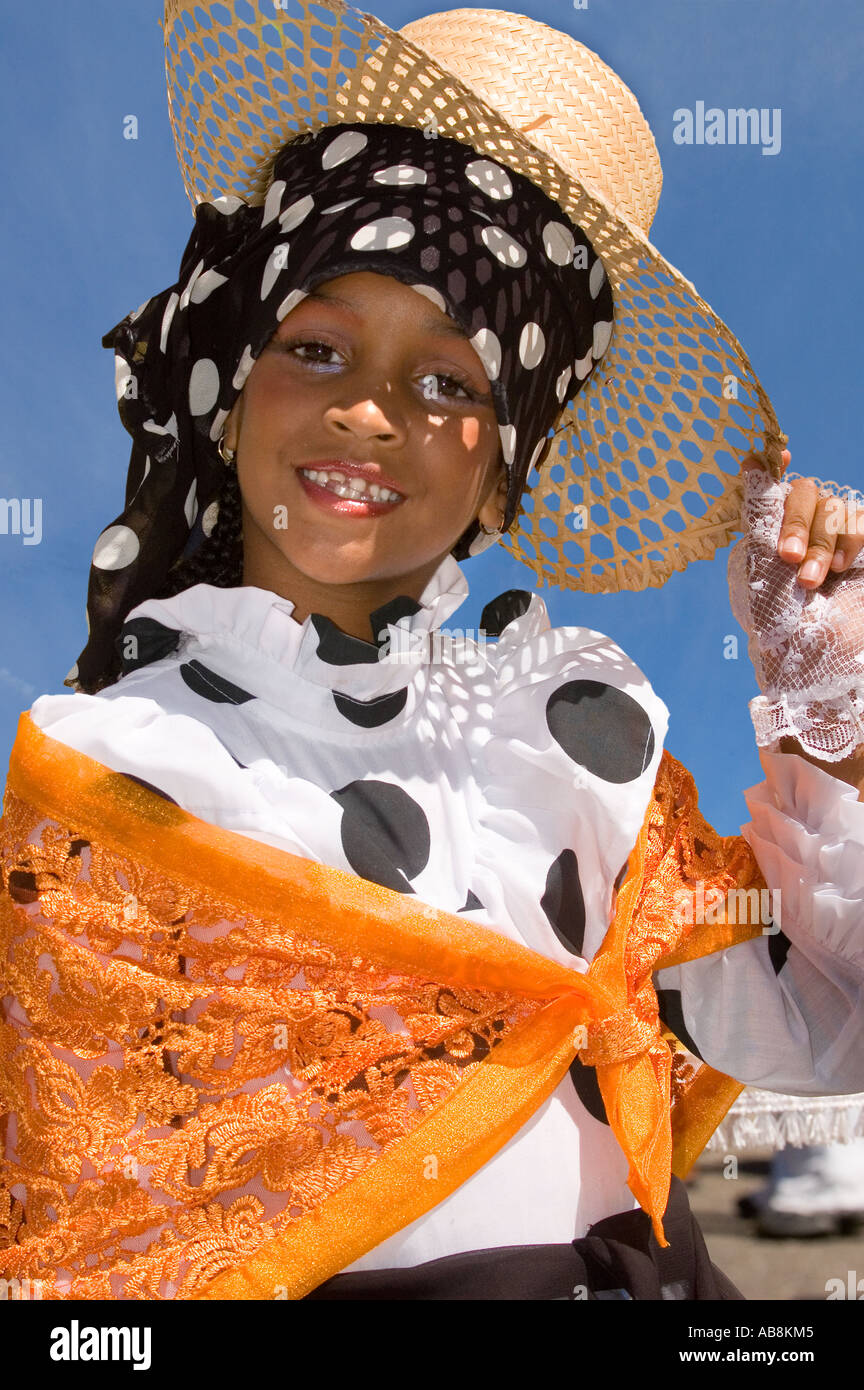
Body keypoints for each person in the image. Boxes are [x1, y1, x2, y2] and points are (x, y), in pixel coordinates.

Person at [1, 2, 862, 1302]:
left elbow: (824, 1018)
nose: (368, 409)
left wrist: (815, 690)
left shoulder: (571, 739)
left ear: (506, 469)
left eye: (453, 383)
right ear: (230, 385)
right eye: (318, 348)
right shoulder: (116, 769)